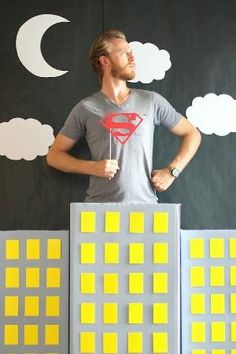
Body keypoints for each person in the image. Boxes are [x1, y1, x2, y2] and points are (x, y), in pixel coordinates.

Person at [47, 29, 201, 202]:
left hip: (145, 210)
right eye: (124, 53)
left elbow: (192, 133)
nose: (132, 58)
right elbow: (54, 156)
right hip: (99, 212)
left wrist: (172, 171)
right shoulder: (85, 108)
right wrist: (93, 167)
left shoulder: (151, 101)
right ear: (104, 61)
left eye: (131, 53)